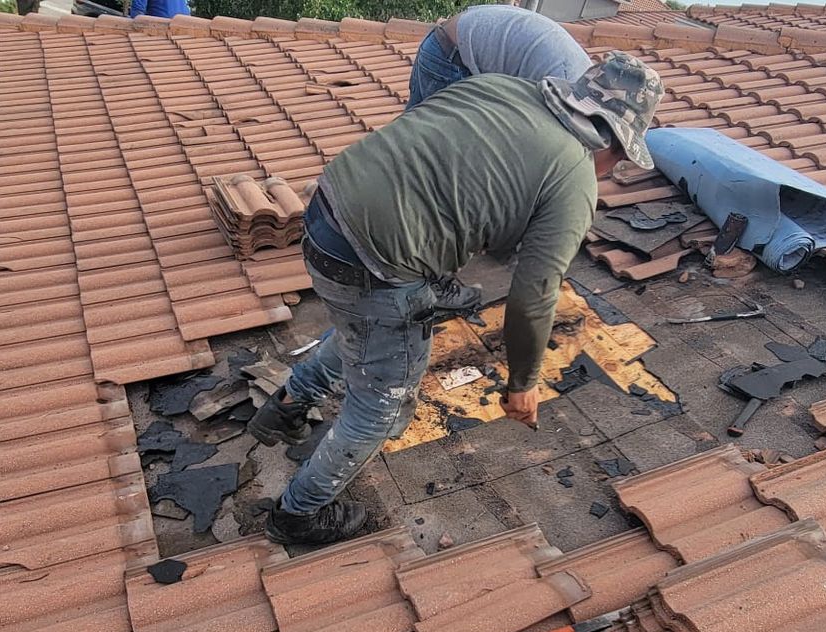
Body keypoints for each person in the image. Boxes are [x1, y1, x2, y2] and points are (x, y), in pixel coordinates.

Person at [249, 52, 664, 546]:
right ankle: (297, 515)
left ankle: (284, 409)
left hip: (325, 214)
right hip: (373, 264)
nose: (611, 169)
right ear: (613, 139)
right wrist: (523, 384)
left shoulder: (501, 86)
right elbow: (534, 297)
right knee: (381, 404)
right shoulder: (573, 177)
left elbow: (443, 173)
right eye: (618, 159)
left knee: (364, 330)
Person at [407, 5, 594, 110]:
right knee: (440, 151)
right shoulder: (565, 88)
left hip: (443, 42)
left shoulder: (586, 74)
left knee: (408, 132)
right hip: (450, 58)